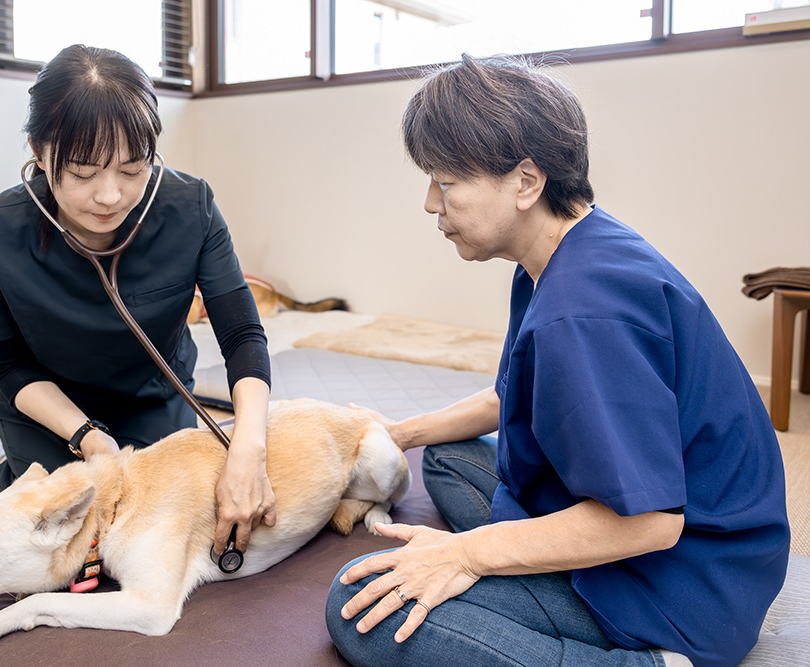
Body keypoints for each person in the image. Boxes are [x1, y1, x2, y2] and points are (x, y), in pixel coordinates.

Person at [325, 54, 789, 667]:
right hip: (684, 542)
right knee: (444, 457)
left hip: (683, 582)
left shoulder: (584, 313)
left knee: (357, 606)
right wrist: (398, 432)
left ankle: (649, 662)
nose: (431, 205)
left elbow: (650, 524)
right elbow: (512, 397)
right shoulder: (565, 251)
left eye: (446, 181)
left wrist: (463, 555)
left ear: (525, 181)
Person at [0, 44, 275, 555]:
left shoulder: (190, 207)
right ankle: (15, 462)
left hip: (150, 395)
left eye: (132, 169)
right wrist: (87, 436)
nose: (110, 196)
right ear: (38, 151)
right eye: (84, 173)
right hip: (47, 408)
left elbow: (240, 333)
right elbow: (9, 365)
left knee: (159, 519)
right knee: (67, 535)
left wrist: (249, 446)